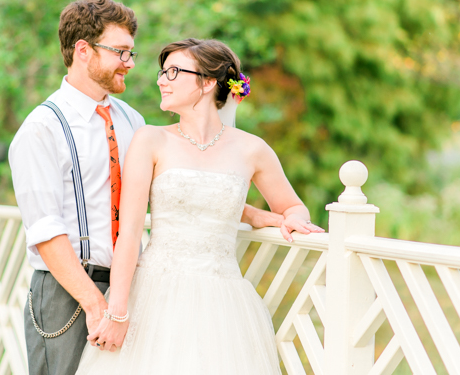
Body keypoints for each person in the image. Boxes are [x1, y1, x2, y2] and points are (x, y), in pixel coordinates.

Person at [9, 0, 285, 375]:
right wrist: (96, 305)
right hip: (68, 291)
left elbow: (178, 193)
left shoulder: (131, 120)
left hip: (137, 287)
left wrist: (257, 215)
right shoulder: (42, 129)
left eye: (131, 52)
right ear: (84, 51)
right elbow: (45, 231)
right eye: (121, 52)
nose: (132, 63)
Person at [75, 38, 325, 375]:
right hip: (155, 296)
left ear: (207, 83)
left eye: (174, 72)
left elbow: (294, 207)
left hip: (223, 303)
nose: (162, 80)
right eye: (162, 72)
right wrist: (117, 312)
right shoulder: (151, 140)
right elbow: (129, 232)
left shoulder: (253, 150)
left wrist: (289, 220)